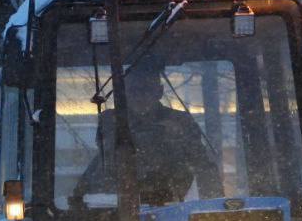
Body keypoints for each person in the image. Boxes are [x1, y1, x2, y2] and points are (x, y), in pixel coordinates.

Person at [73, 64, 224, 205]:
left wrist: (214, 210)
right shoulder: (111, 121)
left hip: (171, 205)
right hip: (117, 210)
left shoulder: (180, 122)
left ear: (159, 91)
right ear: (124, 93)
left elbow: (203, 166)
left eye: (146, 89)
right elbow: (107, 156)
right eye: (134, 90)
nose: (140, 96)